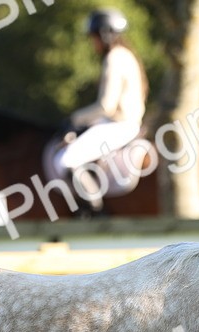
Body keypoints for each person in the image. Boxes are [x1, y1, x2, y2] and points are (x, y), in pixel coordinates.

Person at [56, 8, 147, 208]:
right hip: (123, 122)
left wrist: (74, 119)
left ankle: (95, 209)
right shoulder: (126, 54)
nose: (92, 42)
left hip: (118, 125)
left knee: (65, 160)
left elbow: (106, 105)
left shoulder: (114, 58)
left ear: (105, 35)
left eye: (94, 37)